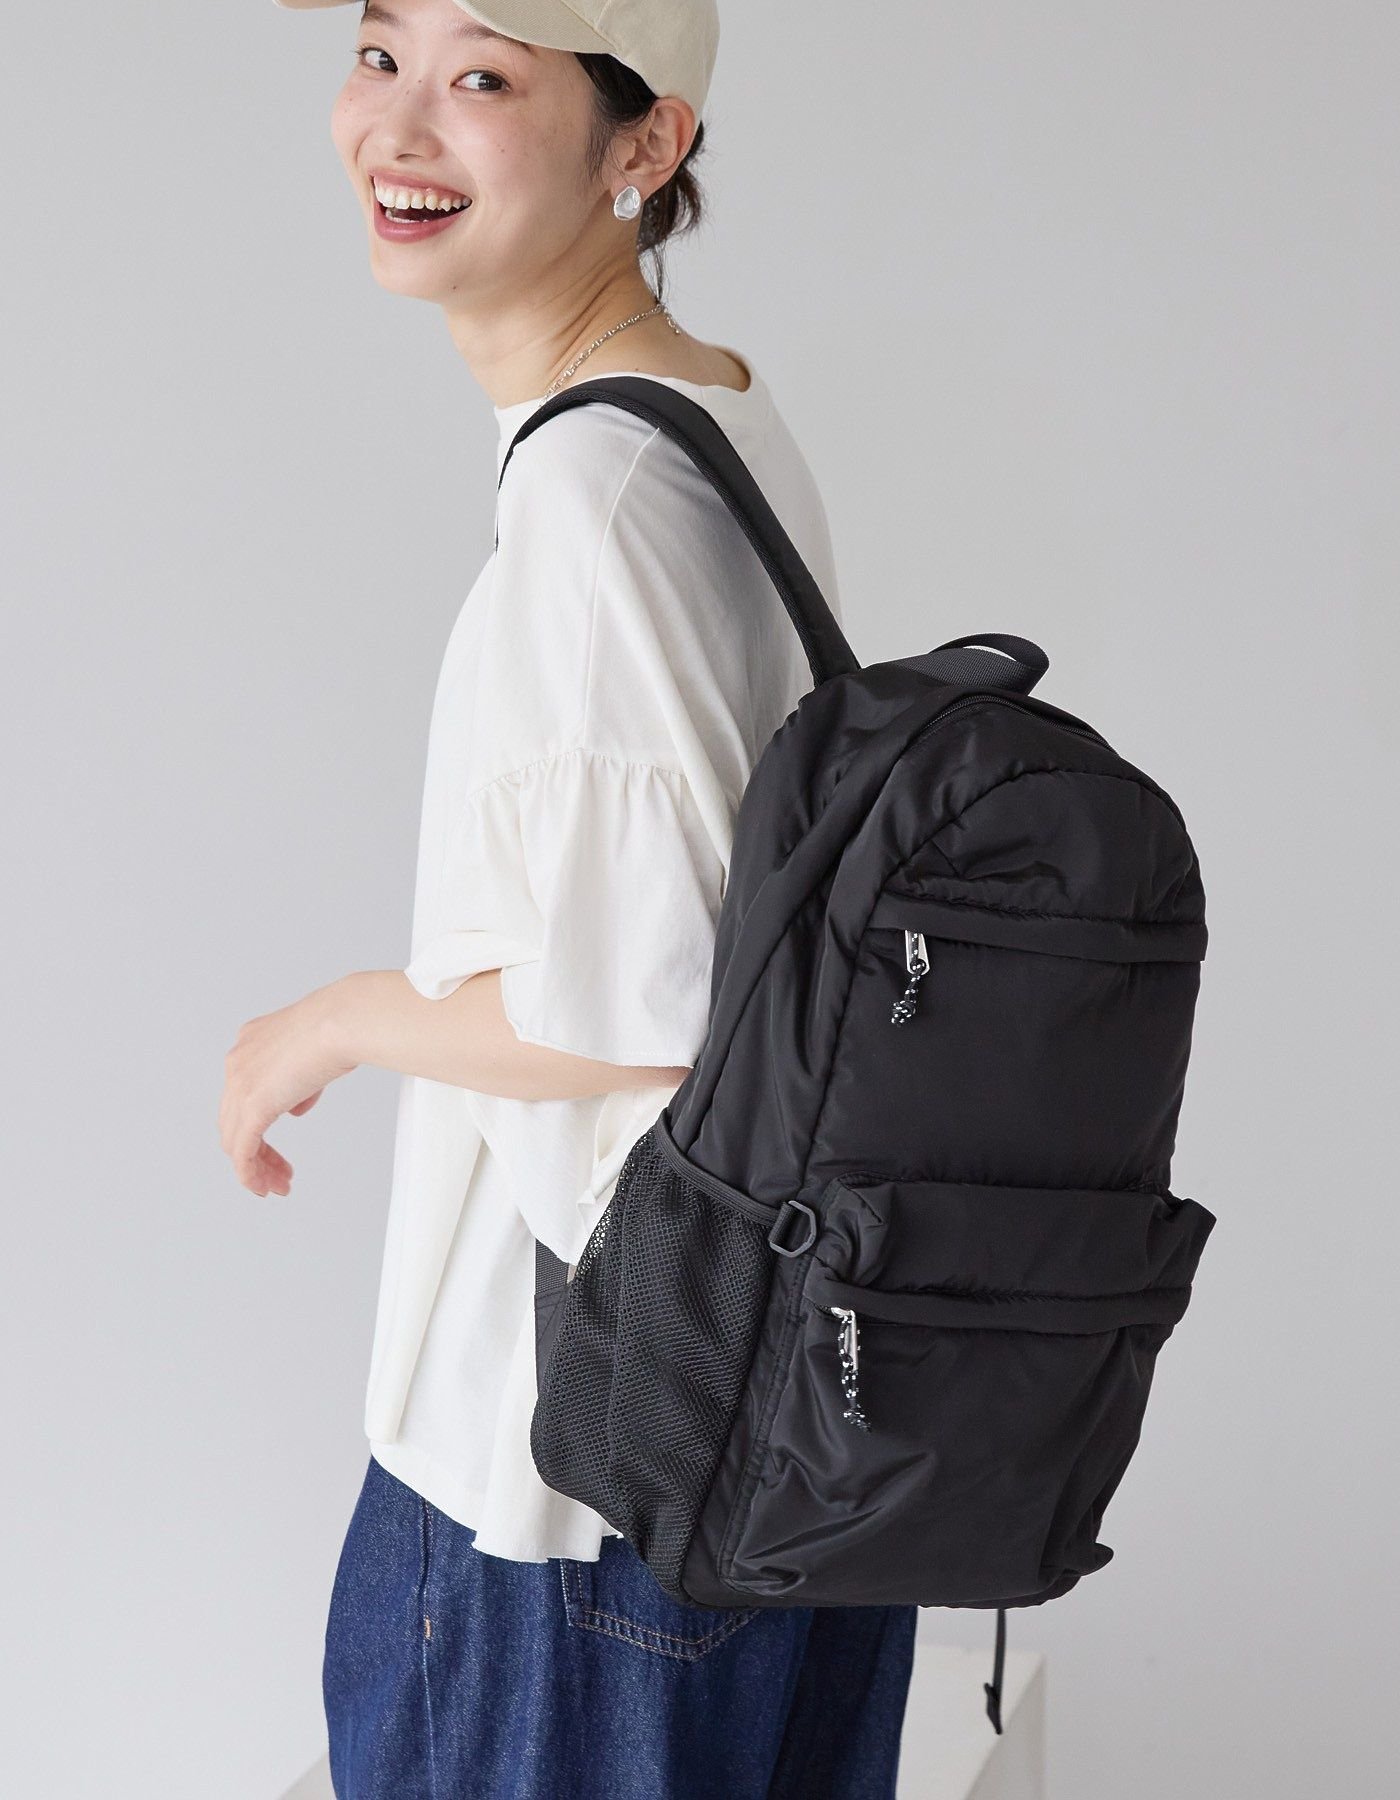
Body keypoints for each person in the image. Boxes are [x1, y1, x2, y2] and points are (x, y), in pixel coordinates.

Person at [221, 0, 920, 1793]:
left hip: (571, 1494)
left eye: (483, 78)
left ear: (645, 145)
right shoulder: (708, 417)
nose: (398, 127)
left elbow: (637, 1009)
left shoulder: (598, 496)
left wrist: (328, 1022)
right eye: (380, 54)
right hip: (764, 1434)